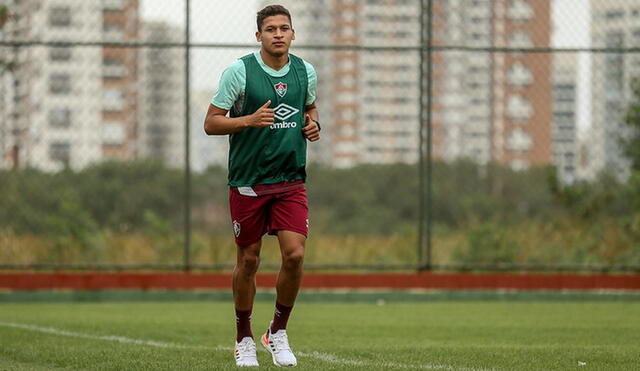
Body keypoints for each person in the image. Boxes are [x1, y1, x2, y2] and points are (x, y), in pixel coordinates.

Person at [203, 4, 320, 368]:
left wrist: (314, 125)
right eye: (270, 29)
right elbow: (211, 122)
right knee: (249, 260)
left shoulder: (306, 72)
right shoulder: (240, 72)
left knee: (295, 255)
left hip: (290, 181)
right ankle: (243, 337)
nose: (279, 34)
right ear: (259, 36)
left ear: (293, 33)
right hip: (249, 182)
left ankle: (278, 331)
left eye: (284, 28)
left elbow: (310, 109)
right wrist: (248, 120)